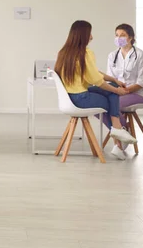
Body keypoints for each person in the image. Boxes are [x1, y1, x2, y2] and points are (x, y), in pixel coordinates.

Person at [54, 20, 138, 154]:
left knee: (111, 90)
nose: (92, 37)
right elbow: (96, 80)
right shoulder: (85, 53)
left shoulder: (64, 52)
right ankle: (118, 134)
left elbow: (93, 73)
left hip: (70, 97)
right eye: (90, 33)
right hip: (81, 98)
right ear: (84, 35)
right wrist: (117, 90)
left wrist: (114, 80)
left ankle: (117, 134)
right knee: (112, 96)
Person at [102, 23, 143, 160]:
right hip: (117, 92)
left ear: (131, 38)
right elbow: (110, 78)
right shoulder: (112, 55)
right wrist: (115, 90)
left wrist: (124, 91)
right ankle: (124, 132)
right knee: (100, 105)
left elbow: (142, 82)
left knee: (113, 104)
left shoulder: (140, 55)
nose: (119, 38)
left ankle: (119, 143)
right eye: (117, 35)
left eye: (122, 35)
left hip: (137, 94)